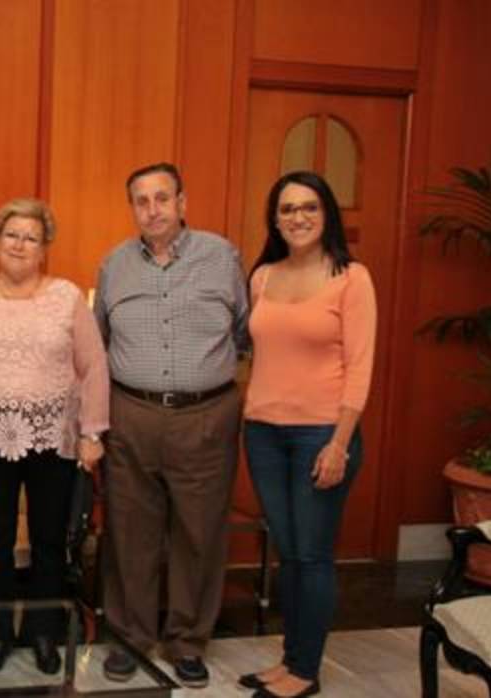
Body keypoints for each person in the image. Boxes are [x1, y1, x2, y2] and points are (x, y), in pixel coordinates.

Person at [94, 162, 249, 688]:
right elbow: (98, 342)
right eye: (142, 200)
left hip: (205, 415)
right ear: (132, 208)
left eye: (163, 198)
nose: (153, 209)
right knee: (129, 533)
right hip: (130, 414)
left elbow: (246, 333)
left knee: (199, 533)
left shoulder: (222, 257)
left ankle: (187, 641)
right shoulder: (113, 265)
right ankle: (130, 638)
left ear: (182, 202)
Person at [0, 198, 109, 675]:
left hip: (52, 438)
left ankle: (42, 633)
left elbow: (94, 365)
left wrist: (92, 432)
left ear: (44, 248)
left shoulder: (67, 296)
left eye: (30, 237)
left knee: (47, 541)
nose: (19, 244)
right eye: (11, 234)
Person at [236, 171, 376, 698]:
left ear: (326, 214)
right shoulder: (263, 277)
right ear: (275, 218)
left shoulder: (351, 277)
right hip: (264, 433)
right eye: (288, 208)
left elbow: (360, 368)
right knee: (290, 551)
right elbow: (260, 353)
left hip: (322, 433)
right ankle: (290, 658)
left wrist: (340, 442)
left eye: (309, 207)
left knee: (313, 554)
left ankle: (305, 671)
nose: (298, 217)